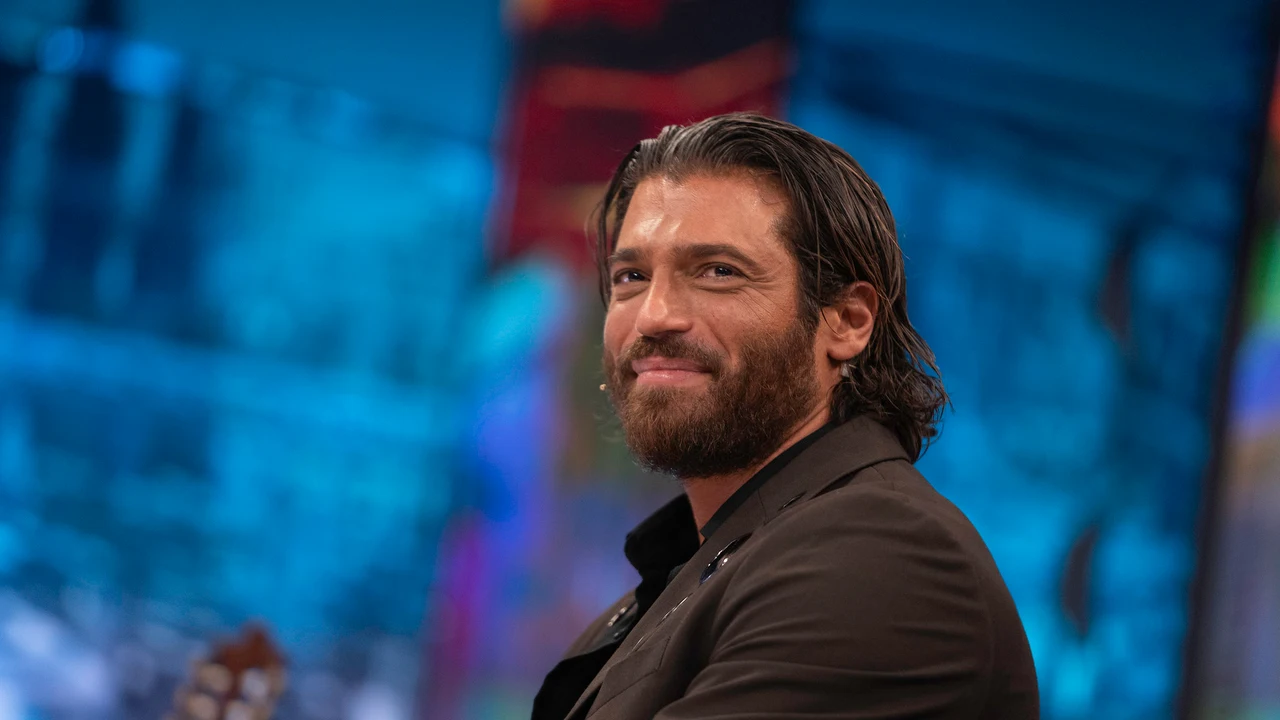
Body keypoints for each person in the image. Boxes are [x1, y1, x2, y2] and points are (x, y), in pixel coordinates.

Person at [532, 113, 1039, 720]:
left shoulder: (882, 557)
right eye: (631, 276)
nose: (654, 315)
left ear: (847, 321)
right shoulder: (705, 560)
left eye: (719, 272)